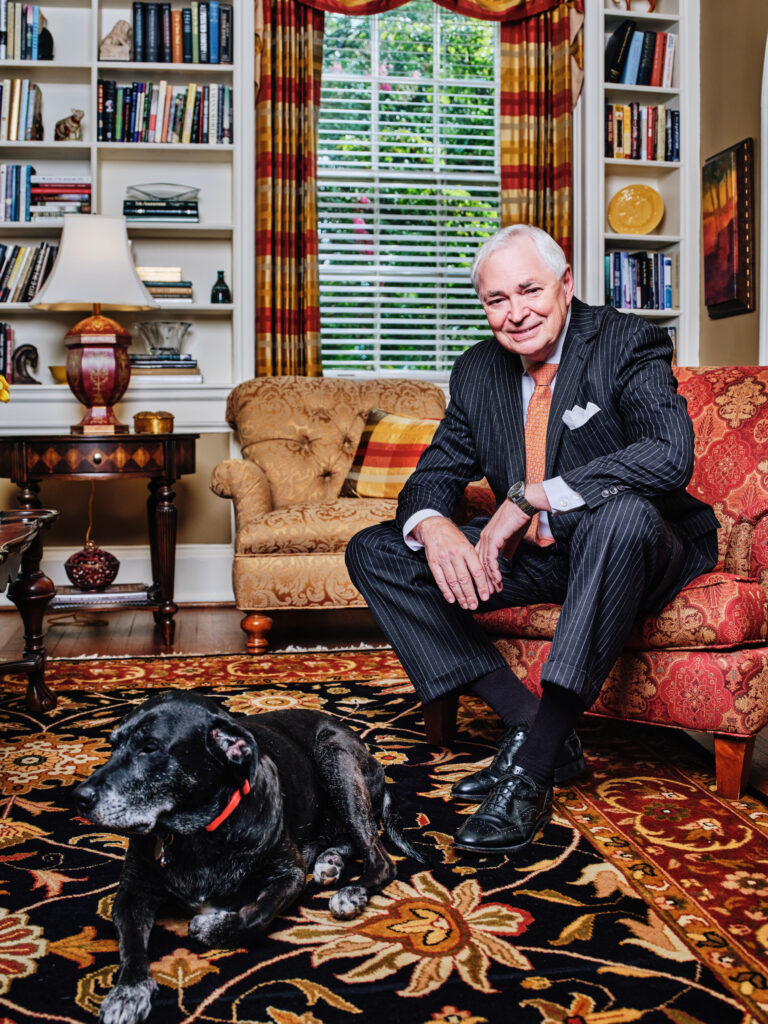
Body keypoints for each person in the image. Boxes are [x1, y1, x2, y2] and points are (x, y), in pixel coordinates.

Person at [345, 224, 719, 856]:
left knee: (618, 515)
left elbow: (668, 455)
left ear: (565, 285)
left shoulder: (626, 341)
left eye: (530, 291)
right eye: (497, 299)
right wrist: (434, 526)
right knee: (375, 550)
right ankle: (532, 725)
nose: (515, 313)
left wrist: (530, 496)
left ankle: (534, 765)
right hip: (545, 558)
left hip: (639, 547)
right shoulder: (476, 370)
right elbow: (433, 475)